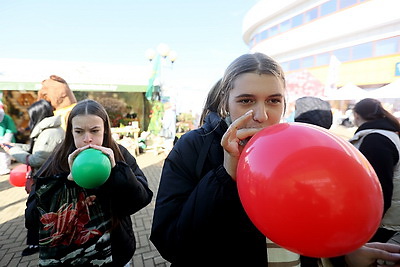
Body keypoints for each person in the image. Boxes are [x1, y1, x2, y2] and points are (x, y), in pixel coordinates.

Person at [150, 52, 400, 267]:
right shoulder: (193, 146)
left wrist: (342, 253)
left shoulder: (301, 145)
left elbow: (312, 221)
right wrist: (225, 175)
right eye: (246, 100)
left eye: (273, 101)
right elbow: (171, 243)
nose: (261, 115)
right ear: (226, 100)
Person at [34, 99, 153, 266]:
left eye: (95, 131)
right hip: (71, 256)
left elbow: (141, 199)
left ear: (105, 130)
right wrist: (66, 183)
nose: (87, 139)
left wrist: (116, 173)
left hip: (116, 251)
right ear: (71, 133)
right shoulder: (58, 160)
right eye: (79, 132)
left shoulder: (119, 155)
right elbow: (32, 216)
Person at [1, 99, 65, 256]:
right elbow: (36, 151)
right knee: (37, 212)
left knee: (33, 212)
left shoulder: (49, 133)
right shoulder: (48, 130)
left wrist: (13, 152)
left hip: (46, 180)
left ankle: (38, 244)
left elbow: (37, 159)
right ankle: (36, 243)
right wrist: (14, 147)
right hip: (46, 179)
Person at [350, 98, 400, 243]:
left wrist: (365, 227)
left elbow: (380, 188)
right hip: (387, 222)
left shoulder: (375, 139)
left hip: (383, 226)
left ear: (356, 115)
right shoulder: (387, 134)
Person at [0, 106, 18, 175]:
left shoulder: (7, 118)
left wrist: (4, 141)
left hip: (6, 138)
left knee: (4, 153)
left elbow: (10, 130)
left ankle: (5, 168)